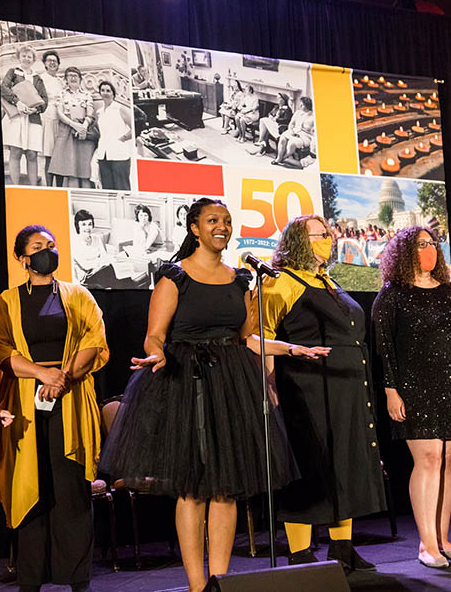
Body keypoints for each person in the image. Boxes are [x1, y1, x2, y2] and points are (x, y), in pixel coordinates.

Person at [99, 198, 300, 592]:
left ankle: (218, 581)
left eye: (226, 220)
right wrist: (156, 354)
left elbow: (249, 338)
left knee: (225, 487)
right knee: (193, 489)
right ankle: (195, 585)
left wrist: (293, 349)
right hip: (185, 381)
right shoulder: (176, 277)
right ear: (195, 228)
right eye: (212, 220)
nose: (221, 226)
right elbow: (155, 333)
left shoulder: (241, 280)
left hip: (230, 383)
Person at [251, 214, 385, 572]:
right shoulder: (280, 283)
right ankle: (300, 553)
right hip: (305, 389)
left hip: (346, 390)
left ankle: (342, 549)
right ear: (299, 240)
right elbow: (258, 337)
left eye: (329, 233)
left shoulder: (328, 280)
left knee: (344, 465)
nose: (329, 238)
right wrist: (269, 386)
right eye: (321, 234)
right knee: (309, 467)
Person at [0, 225, 109, 592]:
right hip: (26, 404)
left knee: (71, 490)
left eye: (51, 246)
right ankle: (30, 580)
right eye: (38, 247)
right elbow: (2, 352)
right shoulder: (6, 302)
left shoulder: (78, 294)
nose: (47, 251)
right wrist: (43, 374)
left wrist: (63, 378)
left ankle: (77, 580)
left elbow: (94, 338)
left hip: (70, 402)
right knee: (31, 489)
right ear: (23, 258)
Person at [371, 226, 451, 568]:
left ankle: (442, 537)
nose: (430, 248)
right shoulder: (393, 293)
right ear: (406, 251)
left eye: (433, 243)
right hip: (414, 387)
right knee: (429, 460)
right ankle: (426, 544)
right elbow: (384, 348)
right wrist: (391, 390)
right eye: (421, 244)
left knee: (448, 460)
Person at [1, 46, 49, 186]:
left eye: (30, 56)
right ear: (19, 57)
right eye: (24, 55)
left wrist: (35, 109)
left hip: (33, 119)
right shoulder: (13, 72)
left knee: (32, 154)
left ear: (33, 59)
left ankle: (33, 188)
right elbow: (4, 88)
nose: (26, 58)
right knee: (15, 151)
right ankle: (15, 187)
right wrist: (18, 103)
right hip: (17, 117)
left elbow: (44, 99)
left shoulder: (37, 78)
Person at [49, 67, 96, 189]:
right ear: (66, 79)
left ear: (80, 79)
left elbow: (90, 112)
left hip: (83, 134)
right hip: (67, 131)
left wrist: (83, 127)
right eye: (70, 76)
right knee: (71, 171)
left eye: (76, 75)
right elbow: (60, 113)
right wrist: (73, 125)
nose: (73, 78)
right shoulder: (62, 94)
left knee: (85, 171)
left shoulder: (87, 94)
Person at [31, 49, 65, 186]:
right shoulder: (41, 78)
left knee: (60, 154)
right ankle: (50, 186)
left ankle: (61, 187)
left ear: (58, 64)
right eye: (49, 61)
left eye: (55, 61)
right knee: (50, 155)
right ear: (44, 63)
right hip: (47, 116)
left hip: (61, 118)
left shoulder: (61, 81)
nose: (52, 63)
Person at [93, 80, 132, 191]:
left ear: (113, 94)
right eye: (103, 90)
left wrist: (123, 138)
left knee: (122, 187)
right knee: (108, 188)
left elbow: (135, 128)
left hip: (119, 154)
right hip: (103, 155)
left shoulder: (120, 109)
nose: (105, 93)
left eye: (108, 91)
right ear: (100, 93)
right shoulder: (100, 112)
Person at [273, 97, 316, 168]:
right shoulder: (298, 113)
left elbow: (313, 132)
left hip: (305, 136)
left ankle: (283, 158)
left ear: (307, 106)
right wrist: (291, 130)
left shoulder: (313, 117)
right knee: (283, 138)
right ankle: (279, 158)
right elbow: (291, 124)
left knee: (291, 143)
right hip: (294, 131)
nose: (300, 106)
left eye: (302, 105)